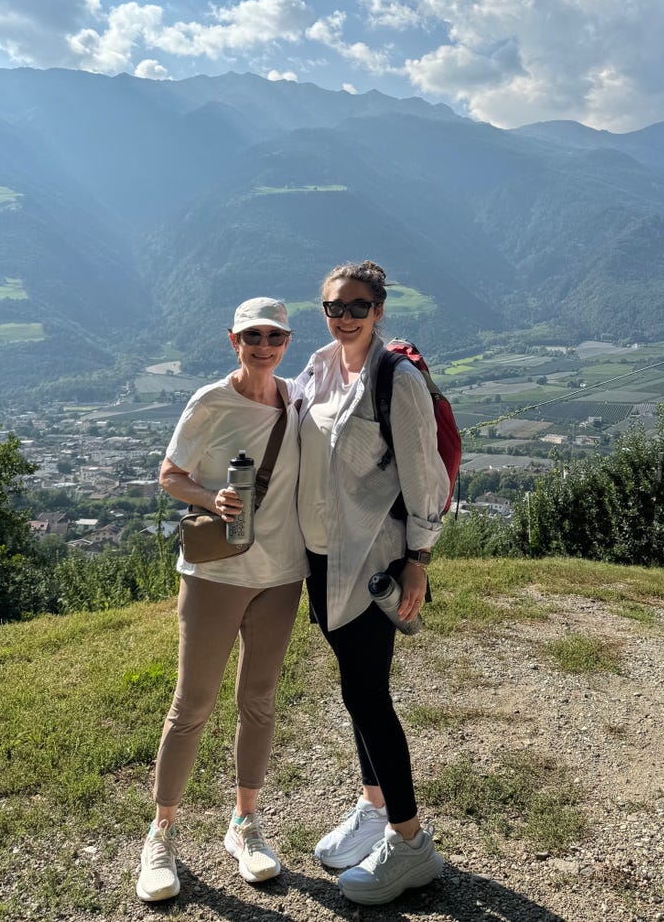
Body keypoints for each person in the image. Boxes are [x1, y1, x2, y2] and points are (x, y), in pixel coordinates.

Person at [135, 298, 307, 904]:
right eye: (252, 335)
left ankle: (244, 824)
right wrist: (213, 501)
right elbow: (169, 474)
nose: (264, 345)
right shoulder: (210, 400)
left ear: (288, 340)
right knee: (193, 704)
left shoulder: (297, 398)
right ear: (233, 339)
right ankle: (162, 833)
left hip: (282, 574)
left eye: (275, 335)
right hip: (214, 575)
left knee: (259, 700)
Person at [294, 260, 448, 906]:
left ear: (379, 308)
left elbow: (425, 477)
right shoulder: (320, 365)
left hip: (373, 561)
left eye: (358, 305)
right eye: (335, 306)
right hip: (323, 558)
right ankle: (372, 804)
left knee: (367, 695)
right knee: (356, 691)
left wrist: (420, 557)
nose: (346, 316)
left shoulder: (398, 379)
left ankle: (411, 844)